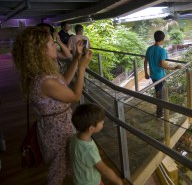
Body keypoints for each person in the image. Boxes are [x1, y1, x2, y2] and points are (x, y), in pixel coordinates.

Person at [12, 27, 92, 185]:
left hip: (56, 125)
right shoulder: (45, 81)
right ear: (40, 50)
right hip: (57, 129)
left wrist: (76, 57)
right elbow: (75, 96)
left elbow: (65, 82)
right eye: (51, 44)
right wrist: (82, 68)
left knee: (62, 165)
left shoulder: (43, 73)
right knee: (58, 171)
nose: (55, 46)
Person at [70, 104, 123, 185]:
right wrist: (118, 181)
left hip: (79, 180)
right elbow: (104, 170)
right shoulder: (88, 150)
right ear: (91, 128)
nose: (103, 122)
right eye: (101, 121)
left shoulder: (75, 138)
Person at [144, 30, 181, 118]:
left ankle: (161, 111)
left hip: (153, 75)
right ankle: (159, 113)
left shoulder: (149, 49)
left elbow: (145, 62)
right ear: (163, 39)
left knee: (160, 93)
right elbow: (163, 64)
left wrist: (146, 73)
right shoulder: (162, 51)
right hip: (160, 76)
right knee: (160, 94)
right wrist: (175, 67)